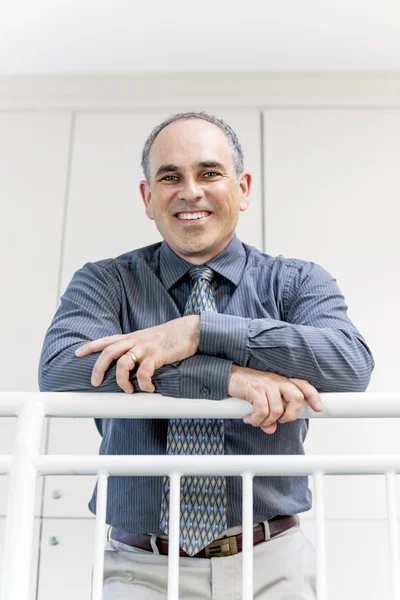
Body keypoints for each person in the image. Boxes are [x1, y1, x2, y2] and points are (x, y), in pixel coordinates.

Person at [39, 111, 374, 599]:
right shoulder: (106, 282)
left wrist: (200, 330)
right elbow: (61, 369)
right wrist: (225, 377)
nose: (190, 191)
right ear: (147, 197)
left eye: (209, 173)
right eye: (170, 176)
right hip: (139, 568)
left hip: (272, 561)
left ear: (242, 187)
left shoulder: (298, 281)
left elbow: (349, 363)